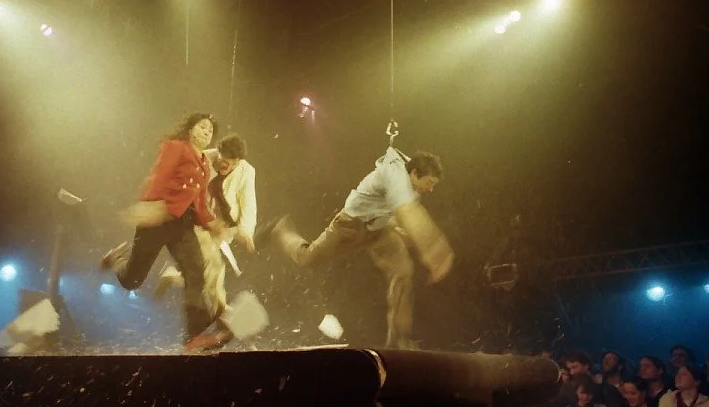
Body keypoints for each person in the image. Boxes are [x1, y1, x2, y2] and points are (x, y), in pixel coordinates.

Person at [260, 146, 454, 349]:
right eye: (429, 183)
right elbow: (409, 213)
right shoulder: (394, 174)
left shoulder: (411, 187)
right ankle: (280, 229)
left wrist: (399, 230)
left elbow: (397, 210)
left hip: (380, 230)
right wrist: (435, 252)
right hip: (350, 226)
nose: (430, 189)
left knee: (403, 270)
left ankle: (398, 337)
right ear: (415, 173)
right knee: (307, 258)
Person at [99, 112, 231, 351]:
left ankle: (193, 336)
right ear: (190, 129)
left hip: (182, 223)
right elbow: (160, 175)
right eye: (202, 127)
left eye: (210, 130)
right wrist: (150, 204)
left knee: (197, 272)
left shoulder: (204, 164)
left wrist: (212, 223)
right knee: (132, 280)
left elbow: (199, 201)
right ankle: (116, 260)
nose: (206, 132)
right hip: (159, 217)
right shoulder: (176, 147)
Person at [154, 133, 257, 302]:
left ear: (238, 161)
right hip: (202, 221)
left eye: (231, 162)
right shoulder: (202, 159)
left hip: (224, 227)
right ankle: (219, 309)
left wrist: (246, 231)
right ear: (218, 151)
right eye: (223, 158)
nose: (225, 164)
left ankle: (174, 276)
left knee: (203, 269)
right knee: (214, 267)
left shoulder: (246, 171)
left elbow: (249, 202)